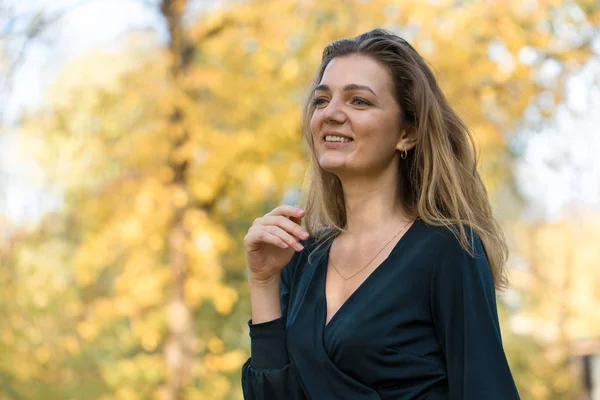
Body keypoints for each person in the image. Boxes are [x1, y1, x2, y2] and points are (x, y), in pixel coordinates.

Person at [240, 28, 520, 399]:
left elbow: (485, 388)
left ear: (407, 133)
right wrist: (263, 283)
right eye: (322, 100)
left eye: (359, 101)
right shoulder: (301, 257)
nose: (331, 114)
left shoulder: (449, 249)